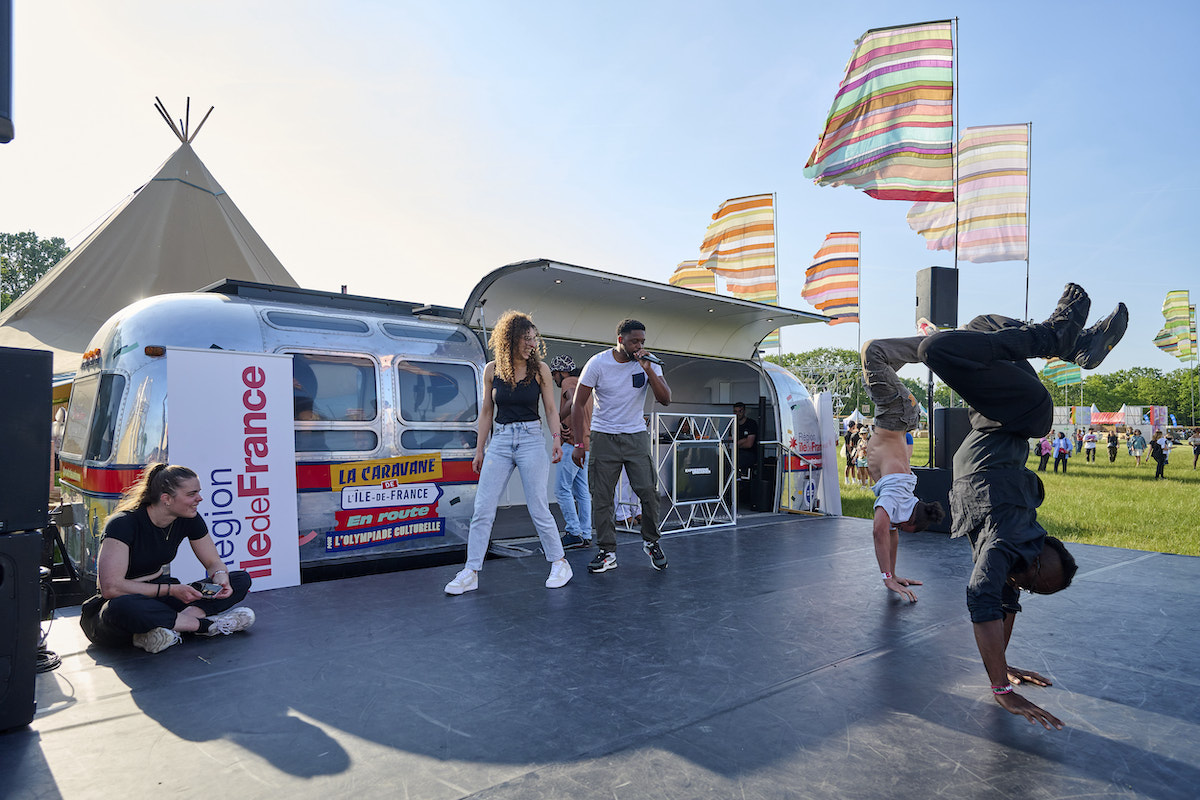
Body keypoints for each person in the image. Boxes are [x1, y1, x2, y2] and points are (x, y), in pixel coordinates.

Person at [917, 282, 1125, 729]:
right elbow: (983, 600)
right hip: (1022, 412)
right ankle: (1056, 336)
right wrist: (1002, 691)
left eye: (1029, 587)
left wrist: (1004, 666)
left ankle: (1077, 346)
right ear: (1033, 557)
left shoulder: (1019, 552)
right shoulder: (1008, 546)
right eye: (1033, 581)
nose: (1023, 587)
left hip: (1000, 419)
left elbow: (1005, 602)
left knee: (983, 327)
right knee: (936, 348)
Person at [444, 311, 572, 595]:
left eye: (534, 339)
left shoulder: (540, 369)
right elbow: (487, 412)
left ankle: (560, 562)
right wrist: (480, 449)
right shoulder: (492, 370)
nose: (532, 344)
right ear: (511, 340)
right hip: (500, 441)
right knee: (483, 508)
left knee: (538, 505)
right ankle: (471, 571)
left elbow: (551, 409)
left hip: (530, 437)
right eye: (527, 339)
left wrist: (555, 439)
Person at [79, 464, 255, 654]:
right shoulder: (122, 524)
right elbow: (111, 588)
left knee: (240, 579)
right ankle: (205, 626)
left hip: (163, 595)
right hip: (122, 602)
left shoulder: (189, 518)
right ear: (166, 499)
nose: (199, 498)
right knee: (123, 606)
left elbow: (213, 563)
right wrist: (172, 590)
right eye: (191, 494)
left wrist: (220, 577)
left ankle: (169, 627)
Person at [571, 319, 672, 573]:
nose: (639, 346)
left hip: (635, 436)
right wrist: (578, 443)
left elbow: (665, 399)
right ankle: (607, 551)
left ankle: (651, 542)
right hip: (603, 437)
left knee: (648, 492)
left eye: (642, 341)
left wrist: (648, 369)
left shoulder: (650, 362)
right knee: (602, 497)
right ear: (620, 340)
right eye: (634, 341)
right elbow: (577, 403)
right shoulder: (598, 363)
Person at [858, 334, 946, 602]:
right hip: (895, 411)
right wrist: (887, 580)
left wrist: (892, 573)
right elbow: (878, 531)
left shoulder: (903, 505)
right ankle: (941, 344)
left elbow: (891, 536)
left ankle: (934, 346)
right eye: (905, 529)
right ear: (909, 520)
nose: (897, 530)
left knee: (874, 368)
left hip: (900, 413)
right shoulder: (896, 495)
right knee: (872, 351)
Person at [551, 354, 592, 550]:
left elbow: (572, 401)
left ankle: (573, 532)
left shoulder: (568, 381)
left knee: (561, 489)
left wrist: (557, 421)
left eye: (554, 374)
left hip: (572, 445)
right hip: (586, 444)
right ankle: (586, 532)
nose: (554, 379)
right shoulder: (585, 384)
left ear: (561, 372)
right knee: (582, 491)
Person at [733, 401, 759, 476]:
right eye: (735, 411)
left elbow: (749, 444)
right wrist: (742, 441)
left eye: (740, 411)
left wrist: (736, 443)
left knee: (737, 461)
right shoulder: (733, 424)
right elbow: (730, 444)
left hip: (750, 454)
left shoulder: (751, 423)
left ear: (744, 411)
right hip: (736, 453)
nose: (738, 414)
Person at [843, 421, 859, 485]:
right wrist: (850, 453)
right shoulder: (847, 434)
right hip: (849, 452)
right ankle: (846, 479)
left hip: (852, 451)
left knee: (852, 466)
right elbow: (847, 445)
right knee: (848, 465)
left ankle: (853, 479)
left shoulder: (851, 433)